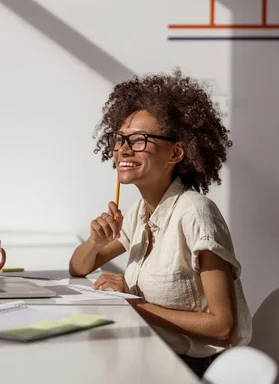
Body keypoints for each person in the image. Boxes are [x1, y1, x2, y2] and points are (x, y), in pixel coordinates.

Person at [69, 69, 252, 378]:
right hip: (153, 357)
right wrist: (94, 242)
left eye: (139, 140)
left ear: (176, 152)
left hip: (193, 371)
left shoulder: (196, 215)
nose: (124, 150)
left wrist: (134, 304)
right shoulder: (140, 211)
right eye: (120, 139)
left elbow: (224, 328)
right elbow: (79, 268)